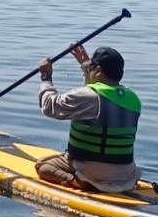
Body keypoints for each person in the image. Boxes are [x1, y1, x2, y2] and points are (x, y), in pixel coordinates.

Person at [35, 43, 141, 193]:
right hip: (125, 174)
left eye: (92, 67)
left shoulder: (88, 96)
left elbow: (49, 107)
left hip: (93, 171)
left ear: (98, 71)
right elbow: (100, 94)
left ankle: (76, 181)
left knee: (43, 166)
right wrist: (86, 65)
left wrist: (46, 77)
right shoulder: (133, 98)